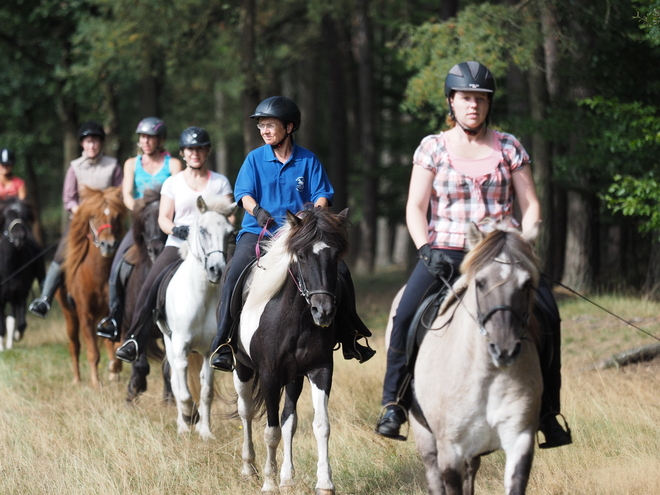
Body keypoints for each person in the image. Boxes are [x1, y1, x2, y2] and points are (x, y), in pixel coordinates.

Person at [374, 61, 572, 449]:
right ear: (452, 101)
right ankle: (394, 403)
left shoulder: (510, 146)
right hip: (446, 252)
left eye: (481, 99)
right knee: (406, 314)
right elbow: (416, 207)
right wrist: (424, 249)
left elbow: (531, 205)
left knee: (548, 314)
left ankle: (548, 412)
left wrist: (524, 240)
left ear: (488, 104)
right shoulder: (432, 147)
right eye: (466, 98)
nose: (474, 105)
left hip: (501, 253)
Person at [209, 96, 375, 373]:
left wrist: (311, 219)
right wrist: (258, 211)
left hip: (300, 235)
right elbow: (243, 194)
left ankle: (350, 335)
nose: (264, 130)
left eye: (270, 125)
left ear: (289, 127)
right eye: (261, 126)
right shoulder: (254, 158)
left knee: (341, 272)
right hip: (259, 232)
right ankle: (224, 341)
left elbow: (323, 195)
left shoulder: (308, 160)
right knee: (235, 271)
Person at [114, 126, 233, 362]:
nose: (195, 154)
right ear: (183, 153)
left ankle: (230, 341)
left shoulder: (220, 182)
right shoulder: (173, 183)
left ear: (207, 151)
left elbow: (229, 215)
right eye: (190, 149)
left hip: (215, 244)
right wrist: (175, 229)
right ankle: (134, 338)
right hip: (179, 242)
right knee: (150, 283)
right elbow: (164, 218)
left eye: (199, 149)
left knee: (237, 277)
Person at [96, 117, 183, 341]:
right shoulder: (131, 164)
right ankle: (115, 317)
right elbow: (126, 194)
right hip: (141, 224)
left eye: (150, 137)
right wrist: (138, 210)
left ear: (160, 140)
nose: (145, 141)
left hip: (166, 223)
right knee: (118, 265)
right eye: (142, 137)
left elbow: (179, 193)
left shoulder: (172, 164)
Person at [29, 121, 123, 318]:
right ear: (82, 144)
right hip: (81, 221)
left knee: (128, 251)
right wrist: (81, 211)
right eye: (88, 142)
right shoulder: (75, 167)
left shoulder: (113, 166)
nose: (92, 146)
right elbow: (69, 198)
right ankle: (45, 299)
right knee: (61, 253)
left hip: (107, 220)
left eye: (95, 142)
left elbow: (119, 193)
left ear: (101, 144)